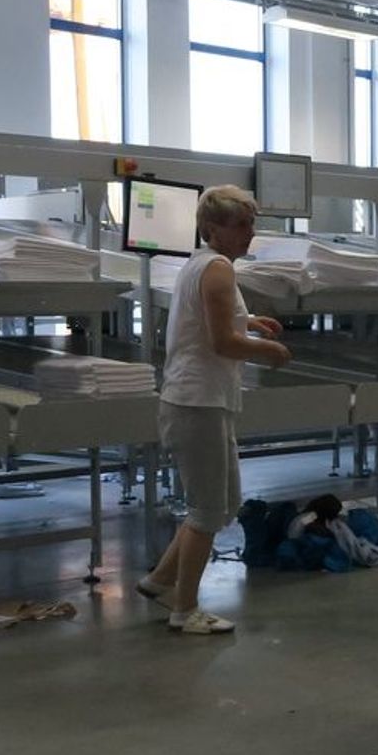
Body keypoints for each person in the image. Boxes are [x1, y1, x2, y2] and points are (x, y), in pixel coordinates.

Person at [137, 185, 291, 634]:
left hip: (204, 400)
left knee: (223, 503)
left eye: (251, 224)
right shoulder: (218, 268)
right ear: (212, 229)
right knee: (207, 510)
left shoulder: (205, 264)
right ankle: (185, 610)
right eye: (241, 224)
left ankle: (160, 580)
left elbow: (211, 321)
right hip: (197, 402)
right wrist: (268, 350)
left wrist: (250, 321)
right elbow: (222, 341)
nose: (250, 233)